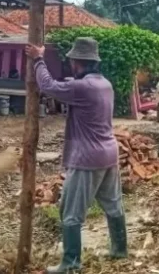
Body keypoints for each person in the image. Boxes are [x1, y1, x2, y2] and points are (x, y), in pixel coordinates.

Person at [24, 37, 127, 273]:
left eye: (72, 61)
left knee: (70, 212)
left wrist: (38, 59)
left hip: (87, 157)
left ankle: (70, 264)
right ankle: (120, 251)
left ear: (77, 63)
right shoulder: (105, 84)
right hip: (109, 153)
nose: (71, 65)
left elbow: (48, 86)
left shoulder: (81, 88)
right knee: (113, 204)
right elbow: (72, 86)